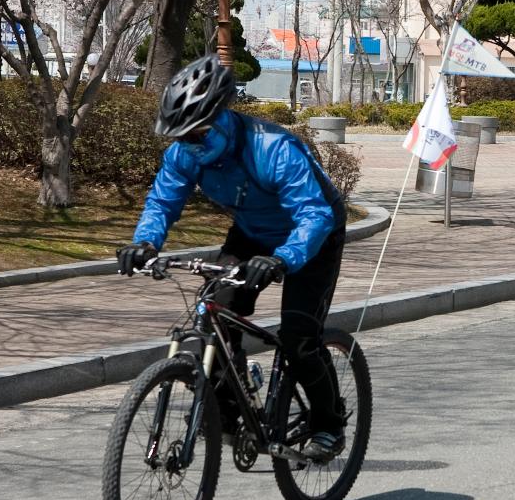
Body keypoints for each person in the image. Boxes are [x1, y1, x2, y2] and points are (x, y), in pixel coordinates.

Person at [116, 54, 348, 461]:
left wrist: (283, 259)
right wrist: (146, 243)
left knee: (298, 339)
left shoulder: (273, 149)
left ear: (219, 120)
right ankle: (230, 417)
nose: (187, 144)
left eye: (195, 135)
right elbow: (162, 202)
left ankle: (329, 424)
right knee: (213, 317)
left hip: (313, 236)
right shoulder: (184, 153)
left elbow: (314, 214)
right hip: (252, 233)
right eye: (181, 136)